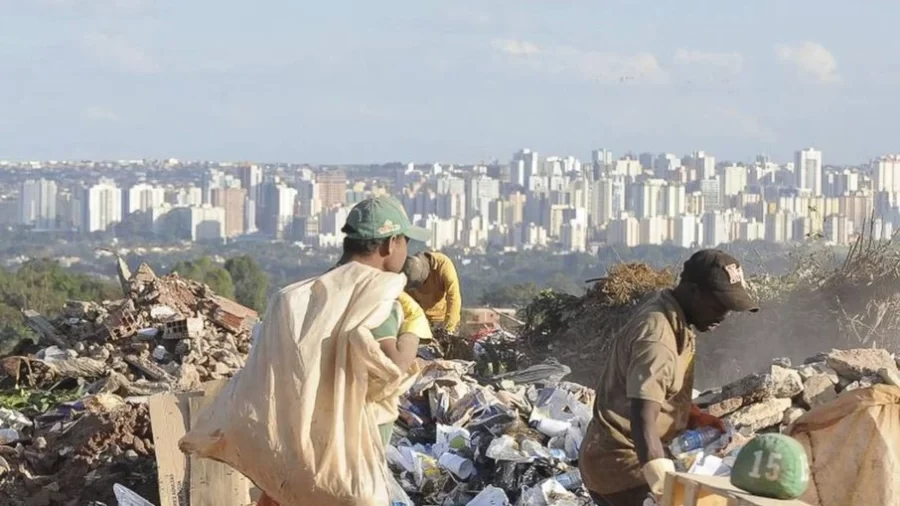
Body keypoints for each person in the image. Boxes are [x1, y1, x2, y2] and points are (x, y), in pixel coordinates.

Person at [579, 249, 759, 506]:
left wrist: (695, 417)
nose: (723, 315)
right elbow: (643, 419)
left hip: (617, 461)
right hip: (623, 468)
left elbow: (660, 393)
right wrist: (664, 488)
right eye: (719, 305)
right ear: (694, 291)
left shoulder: (674, 318)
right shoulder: (658, 338)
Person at [402, 251, 462, 333]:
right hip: (421, 321)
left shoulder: (443, 264)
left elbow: (453, 296)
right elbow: (405, 303)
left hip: (443, 319)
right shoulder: (409, 271)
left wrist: (449, 328)